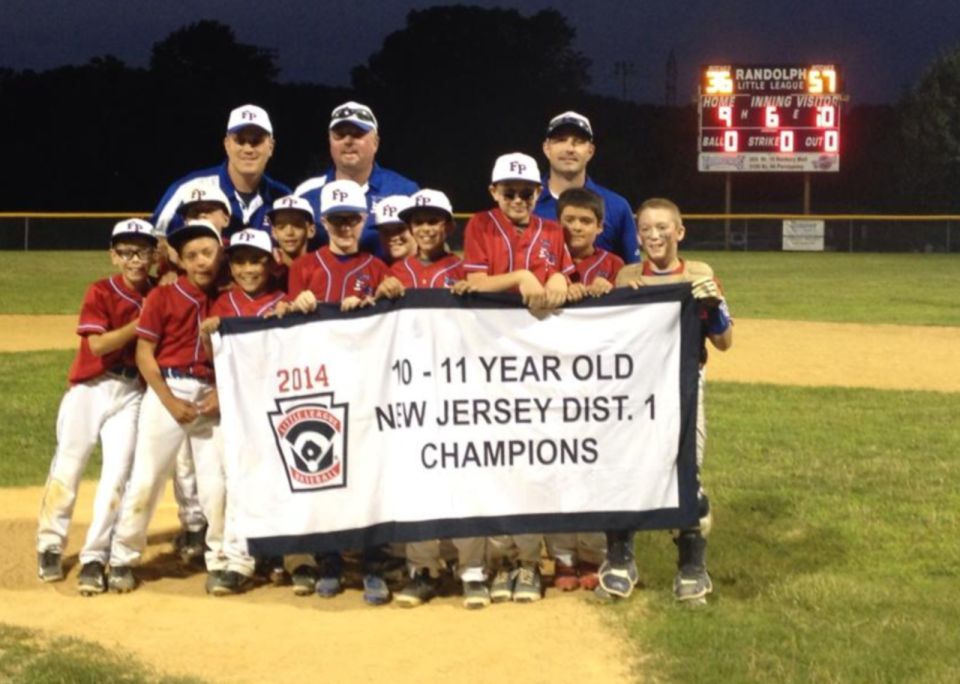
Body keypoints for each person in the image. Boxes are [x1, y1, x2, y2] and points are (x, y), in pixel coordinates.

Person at [108, 219, 255, 596]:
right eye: (191, 255)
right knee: (147, 478)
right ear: (182, 262)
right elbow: (145, 355)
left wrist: (220, 395)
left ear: (220, 254)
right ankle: (122, 557)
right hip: (169, 388)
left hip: (212, 393)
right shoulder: (163, 295)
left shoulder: (228, 297)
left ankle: (222, 560)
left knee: (217, 484)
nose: (201, 261)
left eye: (207, 252)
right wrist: (170, 401)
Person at [601, 197, 733, 604]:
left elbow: (724, 342)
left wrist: (713, 310)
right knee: (626, 469)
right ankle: (620, 559)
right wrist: (624, 299)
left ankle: (692, 566)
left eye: (663, 227)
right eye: (646, 229)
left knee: (686, 472)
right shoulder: (626, 275)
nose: (654, 235)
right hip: (635, 389)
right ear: (637, 235)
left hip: (683, 385)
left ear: (680, 231)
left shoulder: (699, 273)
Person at [282, 180, 403, 605]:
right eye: (337, 219)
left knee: (369, 474)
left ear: (364, 220)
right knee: (325, 472)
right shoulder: (305, 267)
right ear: (323, 222)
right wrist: (295, 306)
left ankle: (373, 562)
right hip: (321, 385)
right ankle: (329, 560)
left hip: (368, 386)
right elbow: (284, 326)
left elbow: (398, 318)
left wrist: (389, 294)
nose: (345, 226)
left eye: (352, 218)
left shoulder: (376, 266)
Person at [462, 153, 575, 602]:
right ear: (494, 192)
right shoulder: (480, 225)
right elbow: (474, 283)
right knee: (493, 458)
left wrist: (560, 285)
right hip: (490, 359)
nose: (517, 199)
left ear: (538, 193)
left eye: (526, 192)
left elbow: (564, 279)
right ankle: (497, 559)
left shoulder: (552, 230)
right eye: (508, 191)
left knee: (531, 456)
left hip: (537, 360)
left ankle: (527, 560)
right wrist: (524, 275)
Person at [35, 219, 157, 594]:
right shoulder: (101, 290)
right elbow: (98, 346)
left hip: (131, 392)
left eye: (142, 251)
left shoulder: (159, 291)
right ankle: (50, 545)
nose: (135, 259)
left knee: (117, 475)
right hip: (90, 388)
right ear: (114, 255)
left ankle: (95, 555)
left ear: (154, 255)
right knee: (68, 468)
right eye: (126, 251)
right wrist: (144, 322)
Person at [384, 189, 488, 609]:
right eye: (418, 221)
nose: (425, 228)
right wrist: (382, 296)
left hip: (459, 389)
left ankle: (474, 570)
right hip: (411, 391)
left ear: (447, 225)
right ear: (409, 227)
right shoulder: (395, 273)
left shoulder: (465, 269)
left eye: (434, 220)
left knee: (465, 477)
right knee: (416, 480)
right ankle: (422, 568)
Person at [541, 187, 625, 592]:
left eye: (585, 221)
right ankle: (562, 559)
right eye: (569, 220)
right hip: (551, 383)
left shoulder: (614, 265)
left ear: (600, 227)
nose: (576, 227)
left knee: (594, 468)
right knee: (557, 467)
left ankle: (595, 554)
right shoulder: (543, 264)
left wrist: (611, 294)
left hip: (598, 386)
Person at [294, 101, 418, 260]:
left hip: (388, 282)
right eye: (339, 135)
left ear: (376, 143)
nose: (348, 141)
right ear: (330, 141)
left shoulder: (405, 191)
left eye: (357, 134)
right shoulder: (306, 194)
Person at [151, 104, 290, 241]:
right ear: (227, 145)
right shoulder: (187, 190)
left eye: (256, 141)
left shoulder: (283, 197)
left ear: (271, 147)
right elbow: (154, 243)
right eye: (240, 141)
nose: (248, 149)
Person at [534, 111, 639, 264]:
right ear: (546, 148)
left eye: (578, 141)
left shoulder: (617, 207)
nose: (570, 149)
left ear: (590, 151)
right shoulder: (526, 204)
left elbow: (632, 271)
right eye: (561, 140)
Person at [373, 195, 417, 265]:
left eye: (400, 229)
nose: (392, 237)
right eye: (385, 231)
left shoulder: (436, 267)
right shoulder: (375, 269)